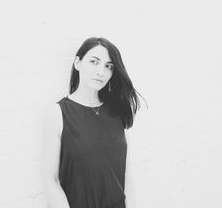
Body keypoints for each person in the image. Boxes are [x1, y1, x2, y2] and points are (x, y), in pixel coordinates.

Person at [41, 37, 146, 208]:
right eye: (94, 62)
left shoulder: (116, 112)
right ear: (77, 63)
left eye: (108, 66)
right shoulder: (57, 114)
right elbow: (51, 180)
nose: (101, 72)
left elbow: (126, 175)